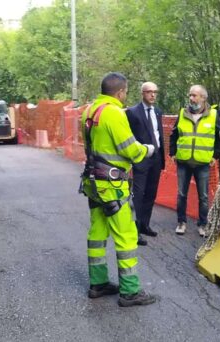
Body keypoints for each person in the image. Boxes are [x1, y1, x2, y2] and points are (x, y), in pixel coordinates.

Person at [79, 72, 157, 307]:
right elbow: (129, 149)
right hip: (113, 186)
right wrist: (147, 149)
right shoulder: (114, 113)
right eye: (125, 92)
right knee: (126, 237)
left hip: (93, 183)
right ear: (120, 92)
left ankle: (98, 283)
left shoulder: (89, 111)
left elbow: (91, 146)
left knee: (97, 233)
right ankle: (130, 291)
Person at [169, 85, 220, 238]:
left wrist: (216, 156)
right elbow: (174, 134)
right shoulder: (182, 113)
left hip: (203, 163)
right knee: (181, 194)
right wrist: (172, 152)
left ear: (203, 98)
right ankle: (181, 222)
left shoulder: (213, 115)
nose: (191, 98)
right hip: (183, 161)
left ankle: (203, 224)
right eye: (190, 95)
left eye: (195, 95)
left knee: (204, 197)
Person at [125, 82, 164, 246]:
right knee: (138, 195)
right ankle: (136, 230)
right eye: (149, 92)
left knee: (151, 193)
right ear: (142, 93)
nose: (152, 95)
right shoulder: (132, 112)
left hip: (155, 158)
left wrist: (161, 157)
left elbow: (159, 134)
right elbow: (128, 136)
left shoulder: (157, 111)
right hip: (140, 158)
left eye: (155, 92)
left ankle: (145, 224)